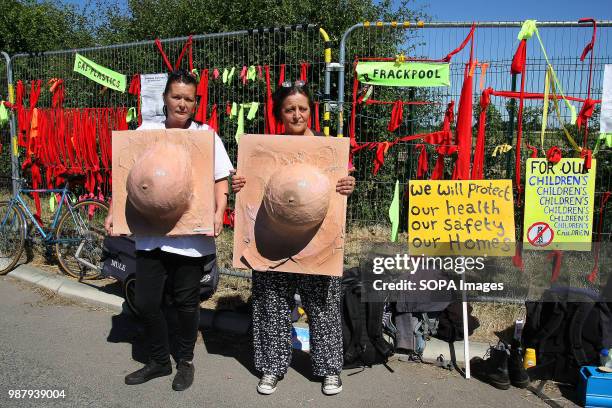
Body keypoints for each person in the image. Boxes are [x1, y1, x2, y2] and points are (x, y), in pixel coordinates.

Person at [104, 70, 233, 391]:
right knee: (147, 302)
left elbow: (220, 178)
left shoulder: (207, 135)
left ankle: (185, 360)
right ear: (165, 98)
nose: (182, 103)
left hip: (191, 239)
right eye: (176, 96)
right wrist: (113, 212)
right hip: (151, 235)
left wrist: (220, 211)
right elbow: (126, 175)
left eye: (189, 99)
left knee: (186, 304)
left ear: (195, 103)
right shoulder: (145, 131)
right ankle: (160, 360)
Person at [231, 81, 355, 396]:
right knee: (271, 302)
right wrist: (240, 183)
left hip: (316, 238)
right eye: (290, 109)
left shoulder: (329, 151)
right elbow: (251, 190)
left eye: (302, 108)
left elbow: (343, 186)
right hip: (273, 235)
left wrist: (347, 185)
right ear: (280, 114)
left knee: (322, 303)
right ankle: (272, 367)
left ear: (310, 111)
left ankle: (329, 370)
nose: (296, 114)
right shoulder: (263, 151)